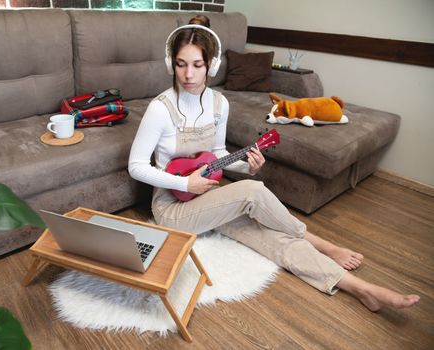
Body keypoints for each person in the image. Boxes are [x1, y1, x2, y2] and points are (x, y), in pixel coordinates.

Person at [128, 15, 419, 312]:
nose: (188, 74)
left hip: (206, 196)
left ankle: (358, 288)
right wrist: (184, 183)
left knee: (268, 237)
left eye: (197, 65)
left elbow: (215, 154)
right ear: (171, 64)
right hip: (172, 207)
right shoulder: (159, 109)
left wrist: (247, 166)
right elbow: (136, 166)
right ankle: (322, 243)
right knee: (252, 192)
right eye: (181, 64)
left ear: (211, 65)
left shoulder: (219, 104)